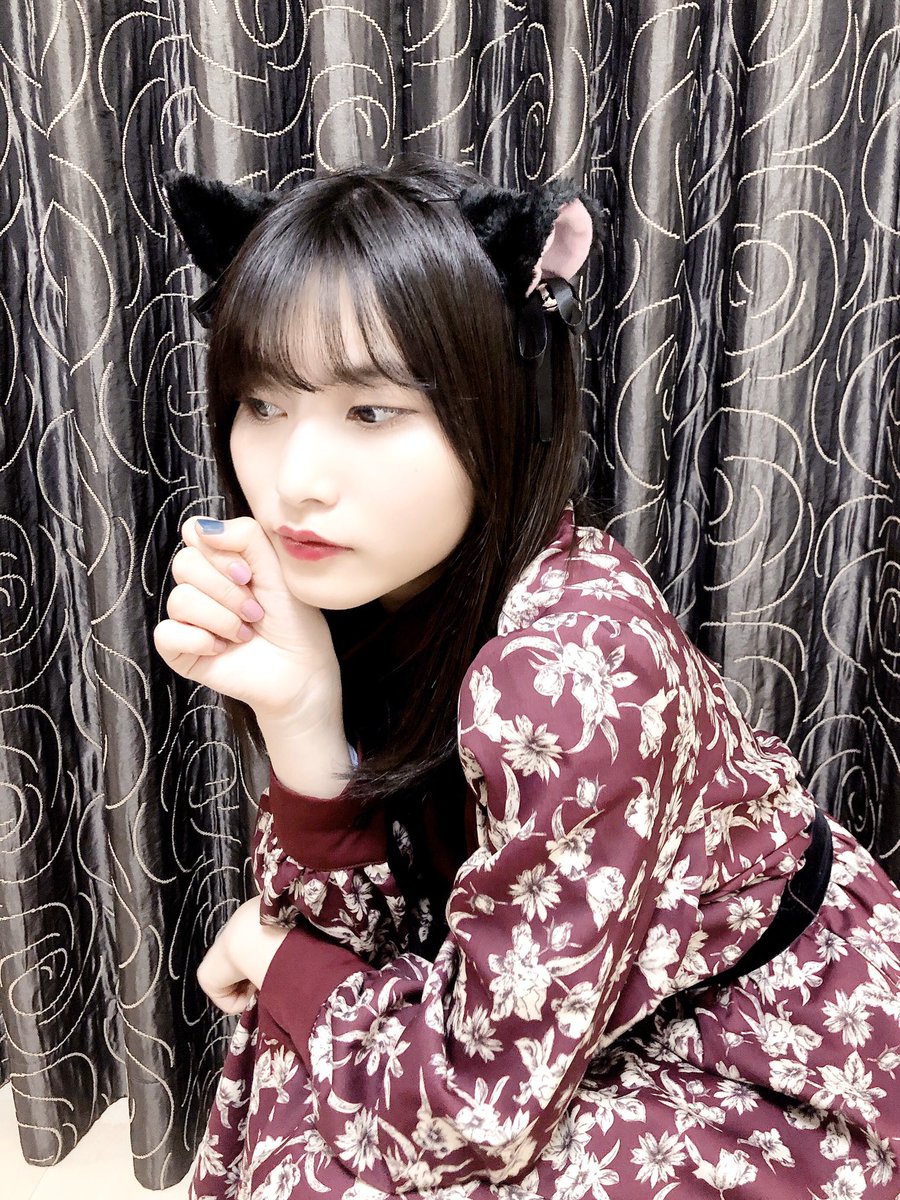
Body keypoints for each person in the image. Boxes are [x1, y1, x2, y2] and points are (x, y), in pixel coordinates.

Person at [155, 158, 900, 1200]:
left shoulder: (565, 670)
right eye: (263, 403)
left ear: (503, 407)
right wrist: (299, 708)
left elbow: (466, 1113)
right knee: (303, 1056)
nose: (293, 481)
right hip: (556, 1004)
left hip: (758, 1035)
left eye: (372, 411)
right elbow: (368, 926)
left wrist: (274, 955)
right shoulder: (384, 579)